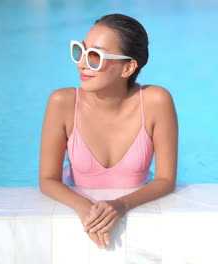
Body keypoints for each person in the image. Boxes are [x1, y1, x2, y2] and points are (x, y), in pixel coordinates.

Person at [39, 13, 178, 250]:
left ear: (128, 67)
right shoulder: (62, 102)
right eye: (79, 51)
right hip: (75, 190)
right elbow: (48, 179)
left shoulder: (156, 101)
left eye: (95, 56)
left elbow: (166, 180)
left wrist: (121, 204)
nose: (82, 63)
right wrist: (84, 207)